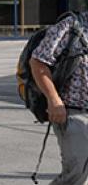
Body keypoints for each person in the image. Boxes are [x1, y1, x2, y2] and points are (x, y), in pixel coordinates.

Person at [30, 11, 88, 185]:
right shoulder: (71, 26)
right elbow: (38, 62)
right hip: (73, 110)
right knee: (78, 173)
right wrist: (54, 100)